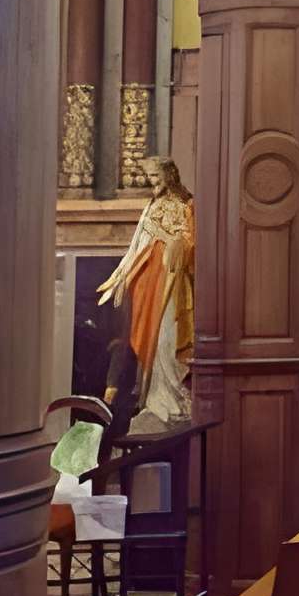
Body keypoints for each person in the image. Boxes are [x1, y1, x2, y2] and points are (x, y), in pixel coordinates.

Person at [98, 156, 195, 426]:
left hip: (174, 286)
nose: (153, 183)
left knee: (168, 341)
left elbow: (192, 242)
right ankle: (156, 399)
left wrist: (179, 246)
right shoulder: (152, 207)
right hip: (151, 286)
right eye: (150, 178)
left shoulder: (187, 204)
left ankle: (175, 400)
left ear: (169, 175)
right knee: (153, 339)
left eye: (156, 177)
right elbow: (138, 248)